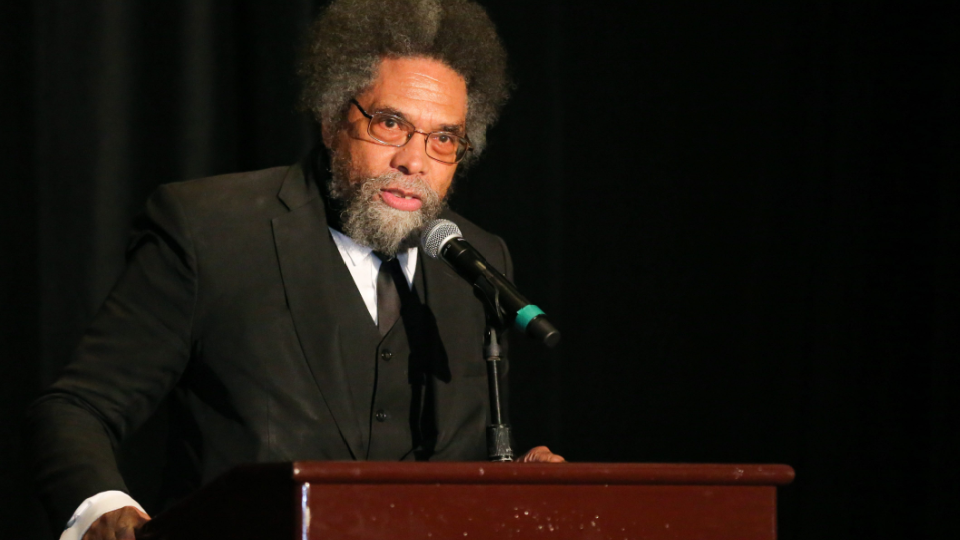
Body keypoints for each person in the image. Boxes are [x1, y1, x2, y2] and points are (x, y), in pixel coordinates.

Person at [25, 0, 563, 539]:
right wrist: (99, 509)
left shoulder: (475, 263)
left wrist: (516, 485)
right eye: (391, 123)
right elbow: (77, 407)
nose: (414, 161)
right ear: (332, 121)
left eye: (443, 138)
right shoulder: (210, 231)